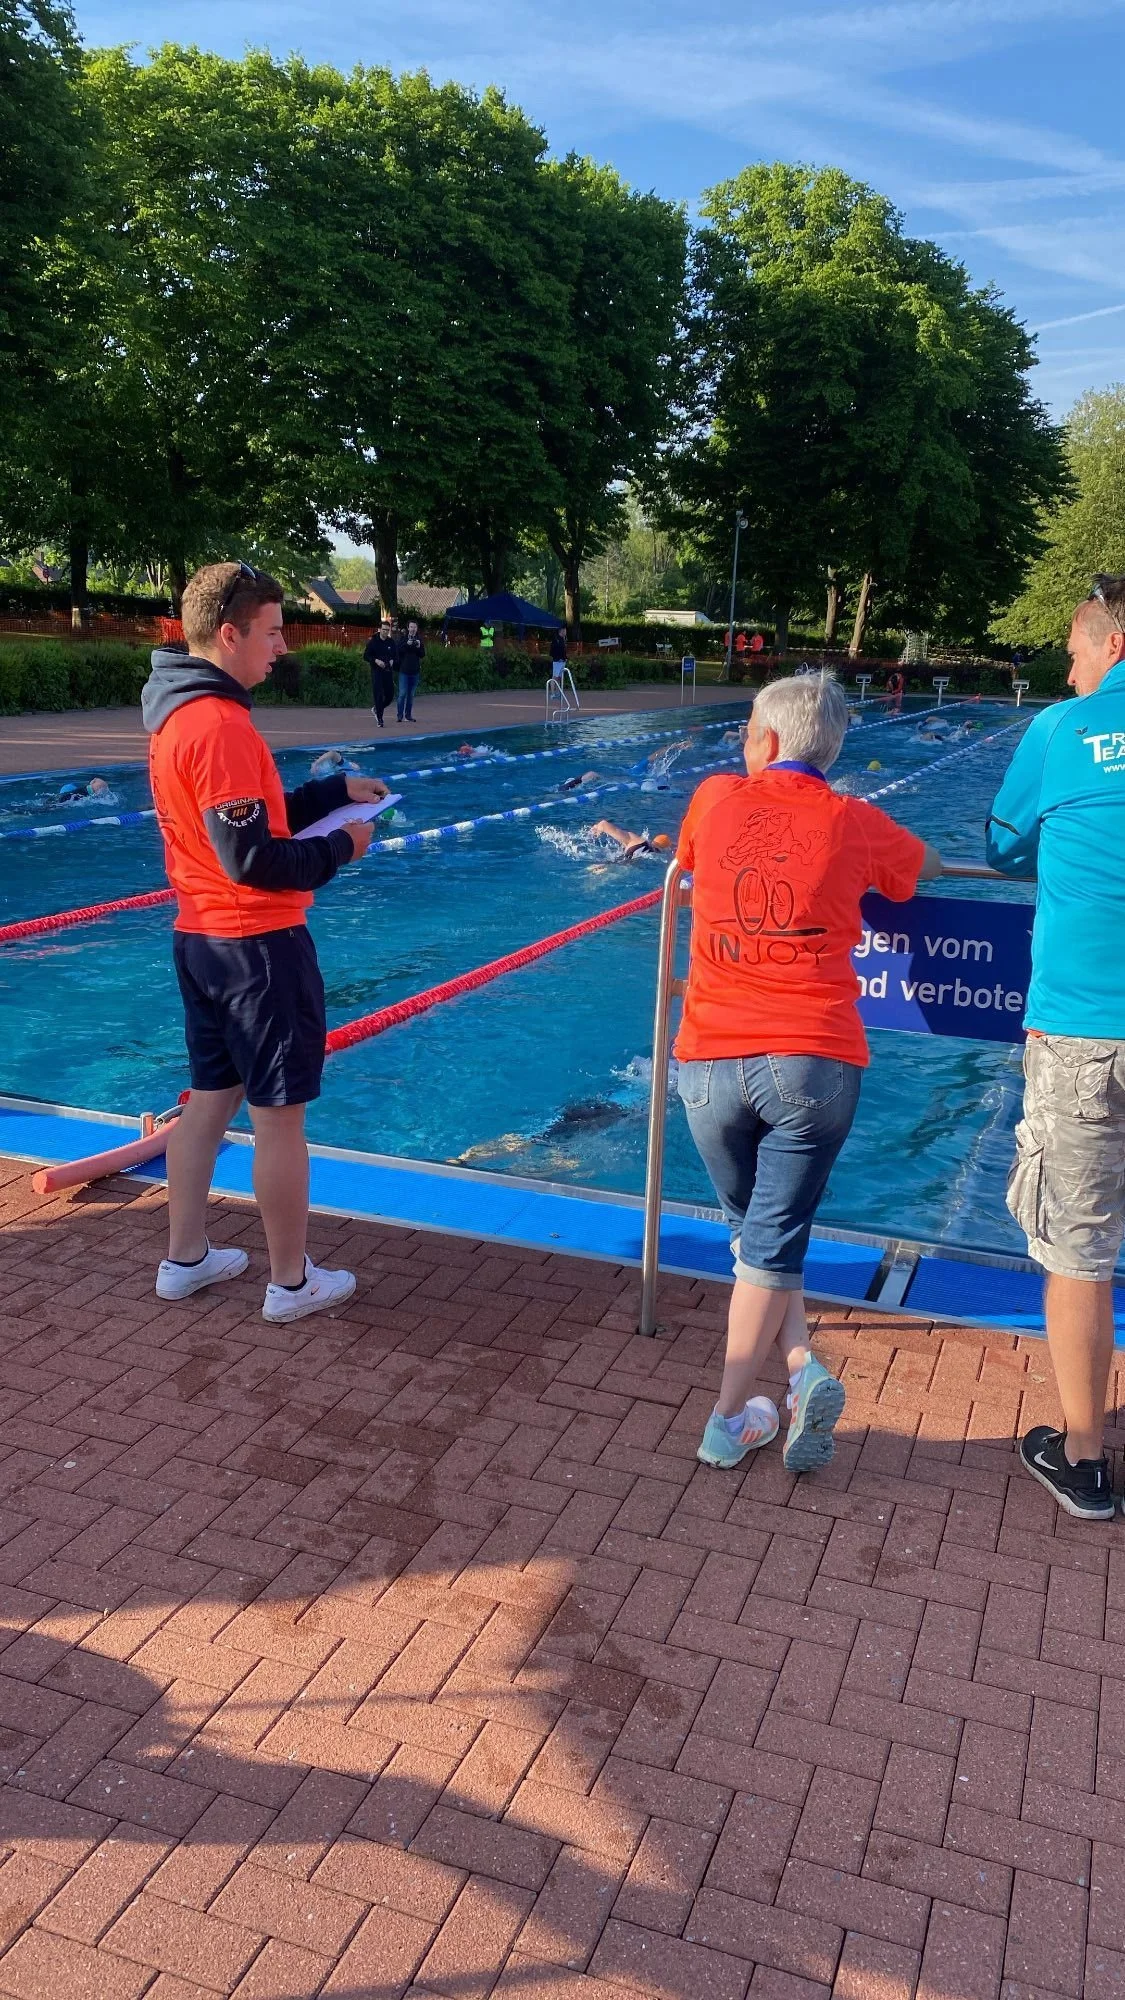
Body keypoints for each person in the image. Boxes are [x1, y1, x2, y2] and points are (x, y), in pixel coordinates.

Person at [675, 675, 941, 1471]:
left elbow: (685, 859)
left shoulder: (714, 797)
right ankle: (735, 1415)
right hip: (812, 1060)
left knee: (756, 1241)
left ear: (760, 742)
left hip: (708, 1061)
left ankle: (782, 1386)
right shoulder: (852, 819)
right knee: (768, 1243)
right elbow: (918, 869)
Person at [143, 561, 388, 1323]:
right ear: (229, 633)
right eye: (273, 631)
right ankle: (290, 1283)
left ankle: (186, 1259)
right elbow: (253, 860)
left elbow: (244, 818)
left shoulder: (178, 712)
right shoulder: (219, 725)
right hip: (257, 946)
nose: (282, 647)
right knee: (280, 1117)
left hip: (201, 938)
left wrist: (326, 794)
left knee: (209, 1101)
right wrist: (343, 847)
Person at [986, 573, 1125, 1521]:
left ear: (1108, 645)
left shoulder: (1060, 731)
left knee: (1078, 1248)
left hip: (1083, 1029)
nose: (1067, 667)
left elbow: (999, 845)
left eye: (1074, 650)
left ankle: (1084, 1464)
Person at [364, 618, 397, 728]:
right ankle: (380, 719)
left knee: (390, 695)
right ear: (379, 629)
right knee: (378, 694)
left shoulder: (391, 642)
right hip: (377, 671)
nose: (385, 632)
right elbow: (366, 656)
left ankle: (377, 709)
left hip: (387, 671)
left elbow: (395, 656)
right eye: (383, 629)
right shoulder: (373, 641)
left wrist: (392, 660)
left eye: (387, 630)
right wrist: (376, 661)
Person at [590, 818, 672, 861]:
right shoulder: (654, 850)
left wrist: (596, 828)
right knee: (619, 863)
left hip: (638, 845)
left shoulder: (636, 838)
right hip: (641, 850)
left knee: (619, 861)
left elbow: (603, 824)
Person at [396, 619, 425, 722]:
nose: (413, 629)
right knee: (402, 693)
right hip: (404, 671)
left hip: (415, 671)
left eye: (415, 627)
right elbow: (398, 651)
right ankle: (400, 715)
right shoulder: (403, 639)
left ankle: (408, 715)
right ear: (408, 628)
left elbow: (422, 654)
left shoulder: (419, 639)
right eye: (411, 627)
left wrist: (418, 646)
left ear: (417, 629)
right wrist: (407, 645)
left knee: (411, 695)